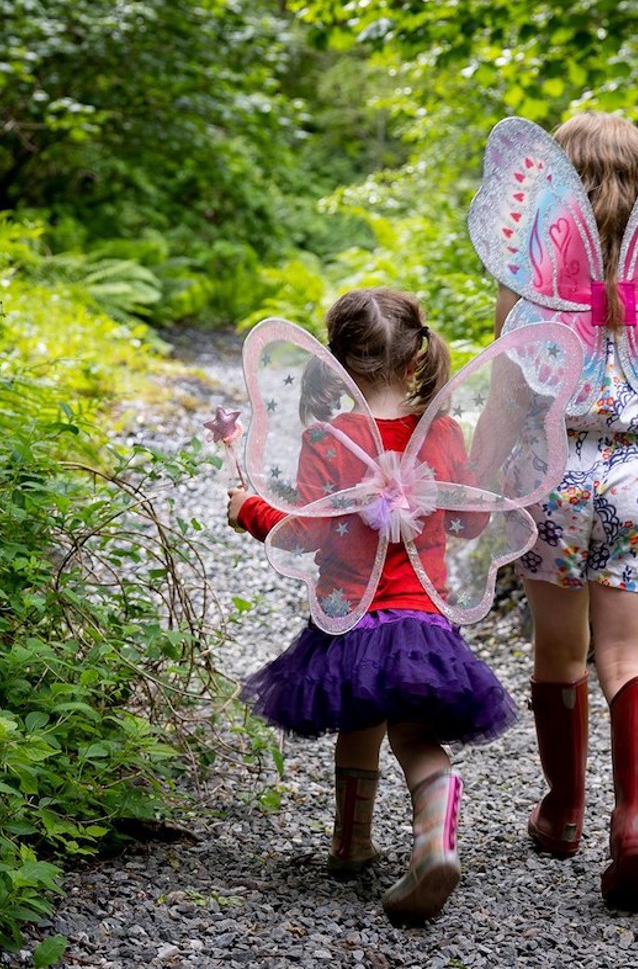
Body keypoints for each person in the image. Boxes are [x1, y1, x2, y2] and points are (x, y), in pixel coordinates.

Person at [226, 287, 516, 924]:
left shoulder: (330, 439)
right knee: (414, 733)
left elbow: (304, 530)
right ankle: (435, 837)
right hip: (423, 618)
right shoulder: (439, 433)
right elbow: (468, 526)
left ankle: (351, 843)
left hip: (352, 614)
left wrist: (248, 506)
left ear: (337, 363)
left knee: (359, 720)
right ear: (417, 358)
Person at [495, 112, 638, 911]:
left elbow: (514, 394)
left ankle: (564, 813)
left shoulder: (534, 277)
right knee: (631, 660)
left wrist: (479, 492)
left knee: (560, 649)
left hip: (554, 475)